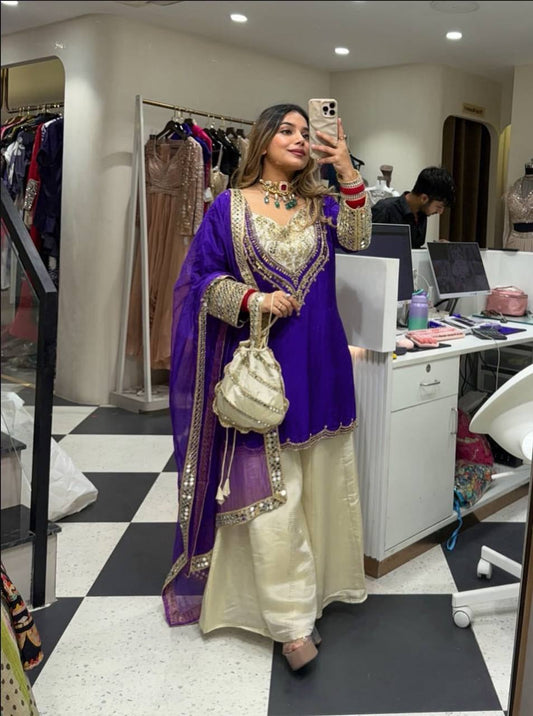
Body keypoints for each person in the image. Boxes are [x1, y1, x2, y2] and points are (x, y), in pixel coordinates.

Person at [162, 103, 371, 671]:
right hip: (264, 370)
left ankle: (320, 590)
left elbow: (359, 237)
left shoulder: (322, 205)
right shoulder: (229, 206)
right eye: (287, 130)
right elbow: (200, 281)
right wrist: (253, 298)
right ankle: (289, 622)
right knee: (270, 497)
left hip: (321, 359)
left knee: (319, 482)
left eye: (306, 131)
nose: (300, 139)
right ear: (262, 139)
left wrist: (345, 167)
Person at [371, 166, 455, 248]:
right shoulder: (385, 209)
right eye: (439, 207)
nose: (440, 212)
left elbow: (413, 249)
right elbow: (370, 249)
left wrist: (436, 249)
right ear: (424, 198)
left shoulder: (421, 214)